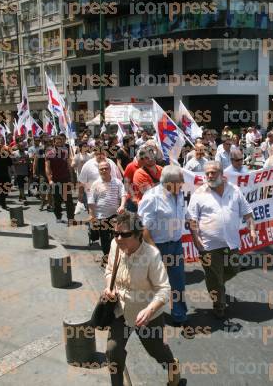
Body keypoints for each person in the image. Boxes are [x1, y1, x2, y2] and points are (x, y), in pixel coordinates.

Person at [103, 212, 180, 386]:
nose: (119, 238)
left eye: (125, 234)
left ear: (138, 235)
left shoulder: (151, 255)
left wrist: (149, 310)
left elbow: (164, 289)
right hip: (120, 311)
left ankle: (172, 366)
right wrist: (109, 287)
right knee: (113, 351)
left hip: (147, 316)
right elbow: (109, 271)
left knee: (158, 352)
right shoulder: (115, 245)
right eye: (116, 234)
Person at [187, 161, 256, 319]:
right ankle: (219, 305)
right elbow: (191, 219)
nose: (210, 176)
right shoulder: (199, 194)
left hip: (231, 244)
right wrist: (196, 239)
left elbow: (247, 213)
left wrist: (252, 229)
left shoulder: (235, 190)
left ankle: (216, 283)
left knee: (234, 268)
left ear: (222, 174)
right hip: (208, 246)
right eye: (208, 173)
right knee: (215, 277)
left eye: (213, 172)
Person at [138, 165, 190, 329]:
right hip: (156, 246)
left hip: (175, 245)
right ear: (168, 182)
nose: (182, 185)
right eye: (179, 182)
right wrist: (155, 252)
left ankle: (179, 315)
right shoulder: (152, 197)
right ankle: (146, 315)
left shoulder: (179, 194)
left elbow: (184, 214)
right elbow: (144, 229)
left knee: (178, 281)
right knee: (153, 284)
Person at [88, 160, 127, 265]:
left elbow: (123, 195)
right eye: (101, 169)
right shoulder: (95, 184)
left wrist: (122, 205)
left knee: (117, 237)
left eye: (106, 168)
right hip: (101, 216)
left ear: (110, 169)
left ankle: (116, 257)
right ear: (99, 171)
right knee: (105, 239)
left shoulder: (117, 182)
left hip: (115, 215)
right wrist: (92, 216)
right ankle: (107, 259)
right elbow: (91, 202)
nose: (104, 170)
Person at [45, 136, 75, 225]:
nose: (59, 144)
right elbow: (47, 168)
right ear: (54, 143)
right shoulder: (49, 153)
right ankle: (58, 216)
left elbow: (69, 165)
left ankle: (71, 218)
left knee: (68, 200)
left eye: (60, 142)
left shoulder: (65, 152)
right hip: (55, 180)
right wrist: (50, 180)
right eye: (57, 142)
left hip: (65, 179)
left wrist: (72, 177)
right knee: (57, 200)